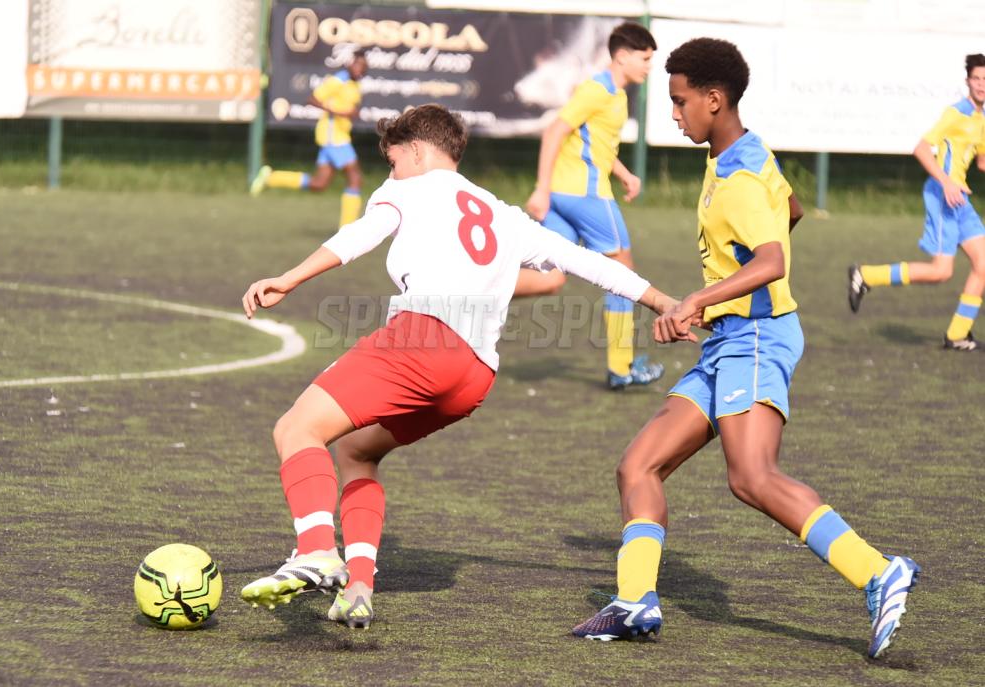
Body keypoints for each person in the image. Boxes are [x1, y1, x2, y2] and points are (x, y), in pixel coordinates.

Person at [239, 104, 681, 629]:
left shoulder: (408, 190)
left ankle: (315, 550)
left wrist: (289, 278)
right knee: (357, 451)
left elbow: (360, 235)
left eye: (393, 162)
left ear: (417, 151)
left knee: (296, 429)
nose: (391, 174)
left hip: (421, 342)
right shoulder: (502, 213)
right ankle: (357, 587)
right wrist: (660, 300)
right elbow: (584, 262)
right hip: (473, 376)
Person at [571, 39, 920, 660]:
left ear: (714, 99)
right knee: (638, 466)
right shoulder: (742, 152)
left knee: (752, 476)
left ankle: (877, 571)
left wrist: (699, 301)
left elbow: (772, 259)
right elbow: (791, 210)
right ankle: (634, 602)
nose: (673, 113)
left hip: (757, 339)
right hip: (732, 339)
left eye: (679, 101)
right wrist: (719, 305)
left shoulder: (738, 176)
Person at [512, 22, 665, 390]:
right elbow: (555, 131)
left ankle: (476, 287)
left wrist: (624, 173)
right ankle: (621, 368)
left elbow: (597, 145)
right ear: (623, 56)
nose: (649, 66)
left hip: (565, 196)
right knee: (623, 274)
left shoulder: (616, 93)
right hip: (586, 196)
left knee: (550, 277)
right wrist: (540, 188)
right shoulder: (598, 89)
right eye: (645, 59)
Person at [849, 54, 985, 351]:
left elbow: (982, 162)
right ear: (967, 81)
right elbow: (921, 149)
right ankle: (866, 275)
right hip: (943, 196)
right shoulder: (956, 113)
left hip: (961, 200)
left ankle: (957, 334)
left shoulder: (981, 118)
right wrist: (946, 182)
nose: (981, 85)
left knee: (983, 264)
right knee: (941, 272)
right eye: (976, 79)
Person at [250, 50, 369, 229]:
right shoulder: (338, 80)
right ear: (349, 63)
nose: (360, 68)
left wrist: (351, 112)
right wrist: (338, 111)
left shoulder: (355, 84)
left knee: (319, 184)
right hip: (333, 136)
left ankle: (270, 177)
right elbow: (312, 99)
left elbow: (352, 110)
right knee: (355, 177)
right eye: (357, 64)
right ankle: (347, 230)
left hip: (339, 136)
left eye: (363, 65)